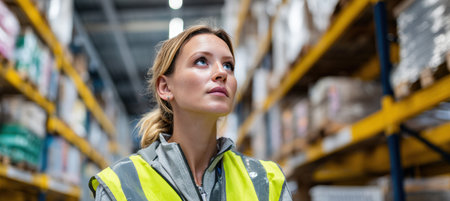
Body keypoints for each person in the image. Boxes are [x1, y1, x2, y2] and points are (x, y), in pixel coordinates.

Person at [89, 25, 292, 201]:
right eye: (202, 61)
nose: (222, 73)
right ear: (165, 88)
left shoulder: (268, 181)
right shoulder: (120, 184)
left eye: (228, 65)